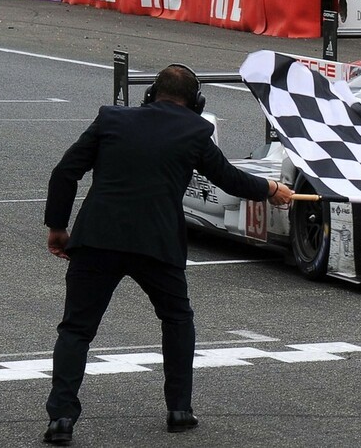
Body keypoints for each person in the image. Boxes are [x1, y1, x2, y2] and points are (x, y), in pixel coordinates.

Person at [41, 64, 293, 444]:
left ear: (150, 94)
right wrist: (271, 189)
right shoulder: (195, 130)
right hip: (157, 244)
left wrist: (58, 227)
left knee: (76, 329)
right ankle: (179, 410)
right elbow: (229, 179)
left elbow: (65, 172)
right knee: (176, 319)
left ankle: (61, 418)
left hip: (98, 239)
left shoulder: (111, 119)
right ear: (196, 102)